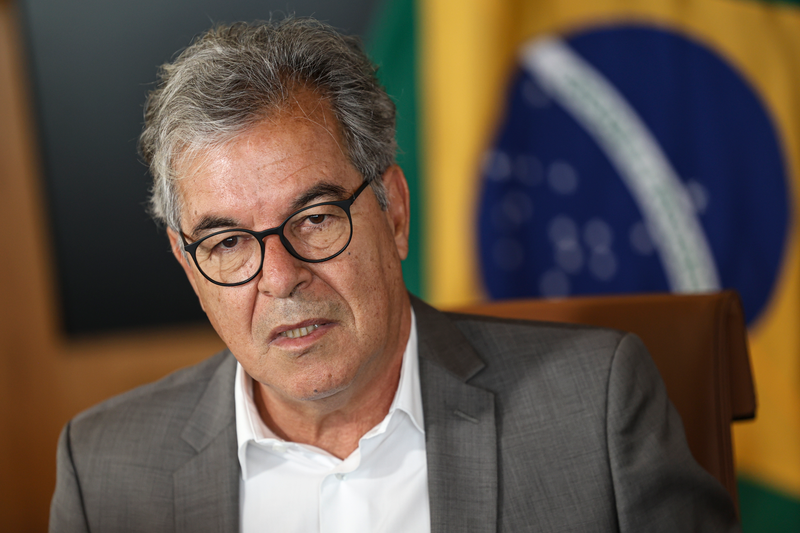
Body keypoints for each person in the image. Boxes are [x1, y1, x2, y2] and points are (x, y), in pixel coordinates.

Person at [49, 17, 740, 532]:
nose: (281, 277)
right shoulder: (102, 471)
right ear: (189, 265)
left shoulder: (594, 408)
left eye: (315, 218)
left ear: (395, 211)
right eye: (229, 242)